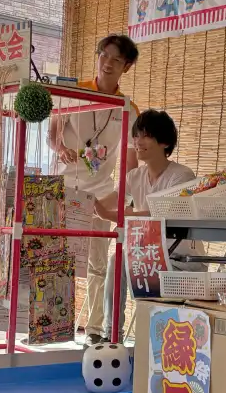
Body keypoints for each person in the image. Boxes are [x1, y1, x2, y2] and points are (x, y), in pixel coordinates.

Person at [48, 34, 139, 345]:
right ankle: (51, 327)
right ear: (98, 56)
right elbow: (52, 134)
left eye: (117, 59)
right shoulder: (73, 92)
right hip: (62, 187)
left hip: (100, 192)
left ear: (127, 67)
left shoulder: (127, 107)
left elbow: (131, 157)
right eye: (104, 55)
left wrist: (127, 197)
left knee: (98, 262)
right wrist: (59, 148)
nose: (108, 63)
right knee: (54, 257)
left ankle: (95, 330)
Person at [93, 110, 206, 339]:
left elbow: (159, 215)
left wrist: (113, 215)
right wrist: (87, 202)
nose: (137, 142)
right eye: (136, 136)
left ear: (164, 142)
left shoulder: (182, 176)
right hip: (149, 257)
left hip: (180, 262)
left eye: (145, 136)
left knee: (124, 260)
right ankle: (111, 335)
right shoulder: (134, 176)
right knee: (117, 260)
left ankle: (131, 337)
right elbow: (109, 200)